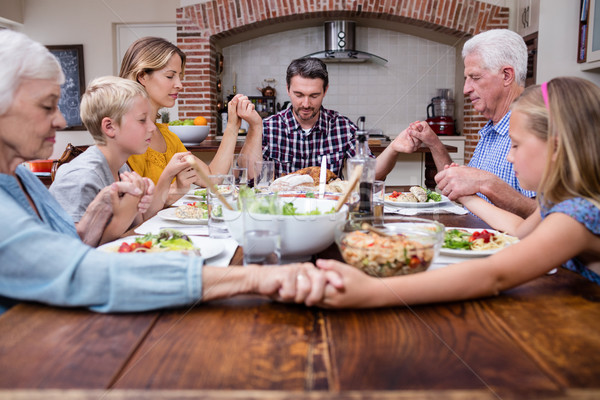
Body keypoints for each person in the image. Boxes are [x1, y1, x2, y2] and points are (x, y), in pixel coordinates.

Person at [0, 30, 342, 314]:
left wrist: (93, 220)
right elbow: (80, 273)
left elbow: (64, 248)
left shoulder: (21, 175)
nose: (61, 120)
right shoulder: (81, 171)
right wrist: (252, 280)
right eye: (47, 106)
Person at [315, 77, 600, 308]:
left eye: (515, 145)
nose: (510, 158)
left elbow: (493, 275)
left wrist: (373, 291)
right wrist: (466, 195)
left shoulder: (576, 214)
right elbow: (522, 229)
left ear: (557, 147)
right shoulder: (560, 199)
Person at [376, 29, 537, 218]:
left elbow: (540, 218)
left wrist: (488, 183)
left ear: (507, 75)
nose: (466, 89)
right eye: (466, 79)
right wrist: (433, 143)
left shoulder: (532, 128)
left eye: (475, 77)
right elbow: (465, 190)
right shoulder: (492, 128)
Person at [119, 36, 260, 204]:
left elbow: (212, 178)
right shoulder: (124, 136)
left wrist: (232, 125)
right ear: (142, 76)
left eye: (180, 76)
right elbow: (131, 209)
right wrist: (173, 190)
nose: (180, 84)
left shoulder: (166, 135)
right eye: (170, 76)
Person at [50, 76, 179, 245]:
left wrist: (137, 205)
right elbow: (73, 253)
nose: (152, 127)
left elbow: (138, 225)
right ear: (110, 127)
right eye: (142, 120)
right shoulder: (81, 178)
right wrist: (123, 215)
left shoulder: (121, 167)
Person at [240, 57, 368, 179]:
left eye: (314, 96)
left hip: (329, 202)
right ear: (288, 89)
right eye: (299, 95)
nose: (306, 104)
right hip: (282, 202)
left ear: (325, 91)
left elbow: (369, 174)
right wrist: (255, 127)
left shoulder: (343, 127)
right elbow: (250, 178)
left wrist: (389, 148)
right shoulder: (268, 127)